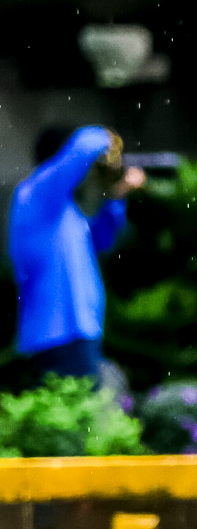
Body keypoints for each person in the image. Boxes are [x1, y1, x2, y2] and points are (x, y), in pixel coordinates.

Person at [7, 126, 145, 386]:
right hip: (58, 336)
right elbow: (86, 145)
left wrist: (116, 194)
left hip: (75, 334)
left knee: (79, 407)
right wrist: (112, 144)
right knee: (79, 409)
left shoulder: (64, 210)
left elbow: (103, 240)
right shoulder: (36, 194)